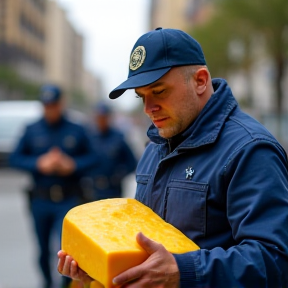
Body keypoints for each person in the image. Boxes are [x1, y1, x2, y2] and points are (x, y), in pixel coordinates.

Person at [57, 28, 288, 287]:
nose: (148, 108)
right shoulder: (154, 147)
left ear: (200, 81)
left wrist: (183, 271)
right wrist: (100, 266)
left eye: (159, 91)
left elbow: (275, 259)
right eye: (142, 96)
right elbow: (143, 247)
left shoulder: (250, 149)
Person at [10, 84, 98, 288]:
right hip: (41, 199)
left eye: (53, 105)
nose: (50, 109)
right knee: (42, 250)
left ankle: (63, 285)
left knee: (67, 252)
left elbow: (95, 158)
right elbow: (15, 158)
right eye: (46, 105)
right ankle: (46, 282)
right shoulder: (31, 129)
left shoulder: (77, 129)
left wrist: (73, 165)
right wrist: (38, 163)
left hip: (68, 200)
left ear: (61, 104)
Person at [80, 101, 137, 202]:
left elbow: (132, 162)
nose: (101, 120)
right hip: (92, 189)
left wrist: (119, 174)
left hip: (112, 189)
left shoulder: (118, 138)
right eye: (99, 117)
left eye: (104, 117)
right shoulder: (88, 137)